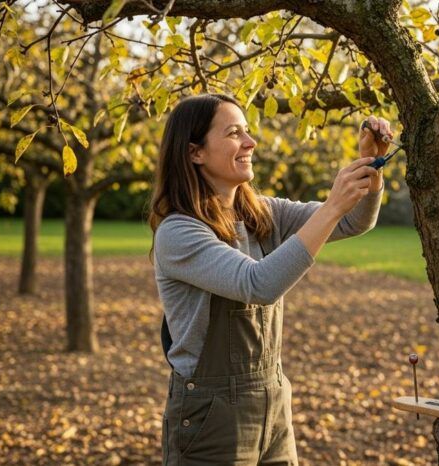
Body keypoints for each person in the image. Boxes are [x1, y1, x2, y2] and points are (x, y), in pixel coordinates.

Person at [148, 93, 392, 465]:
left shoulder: (263, 213)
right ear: (195, 152)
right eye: (234, 133)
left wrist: (368, 169)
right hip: (211, 419)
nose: (250, 142)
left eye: (248, 131)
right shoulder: (178, 232)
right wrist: (330, 206)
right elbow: (258, 284)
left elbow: (351, 221)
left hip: (274, 407)